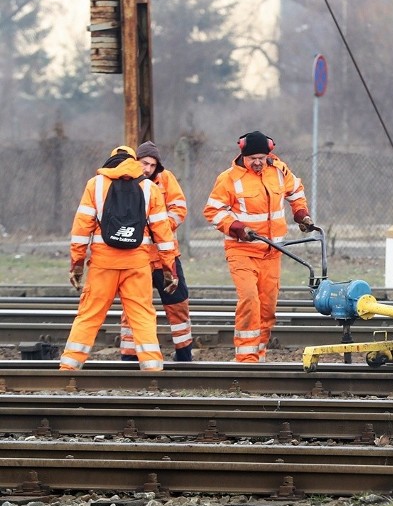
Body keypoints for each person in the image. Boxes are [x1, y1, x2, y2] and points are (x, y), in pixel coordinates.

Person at [60, 146, 179, 372]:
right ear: (134, 162)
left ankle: (69, 367)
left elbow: (81, 230)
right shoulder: (148, 188)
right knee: (142, 315)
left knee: (89, 315)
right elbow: (163, 234)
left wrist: (76, 265)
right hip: (137, 264)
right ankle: (153, 368)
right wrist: (168, 267)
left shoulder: (95, 185)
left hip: (102, 264)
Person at [203, 130, 314, 362]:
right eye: (252, 158)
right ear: (243, 156)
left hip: (272, 252)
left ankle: (259, 355)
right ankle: (245, 360)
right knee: (250, 301)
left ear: (268, 155)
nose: (257, 162)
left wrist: (301, 214)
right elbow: (213, 210)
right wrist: (236, 228)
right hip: (241, 251)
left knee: (267, 308)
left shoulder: (280, 171)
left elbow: (296, 192)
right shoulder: (229, 179)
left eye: (261, 158)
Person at [119, 141, 193, 362]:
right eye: (144, 163)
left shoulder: (166, 179)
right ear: (136, 162)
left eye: (152, 165)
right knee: (132, 308)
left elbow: (179, 209)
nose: (148, 169)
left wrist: (159, 228)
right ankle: (129, 357)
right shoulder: (126, 180)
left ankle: (184, 354)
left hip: (165, 256)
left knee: (178, 304)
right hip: (137, 257)